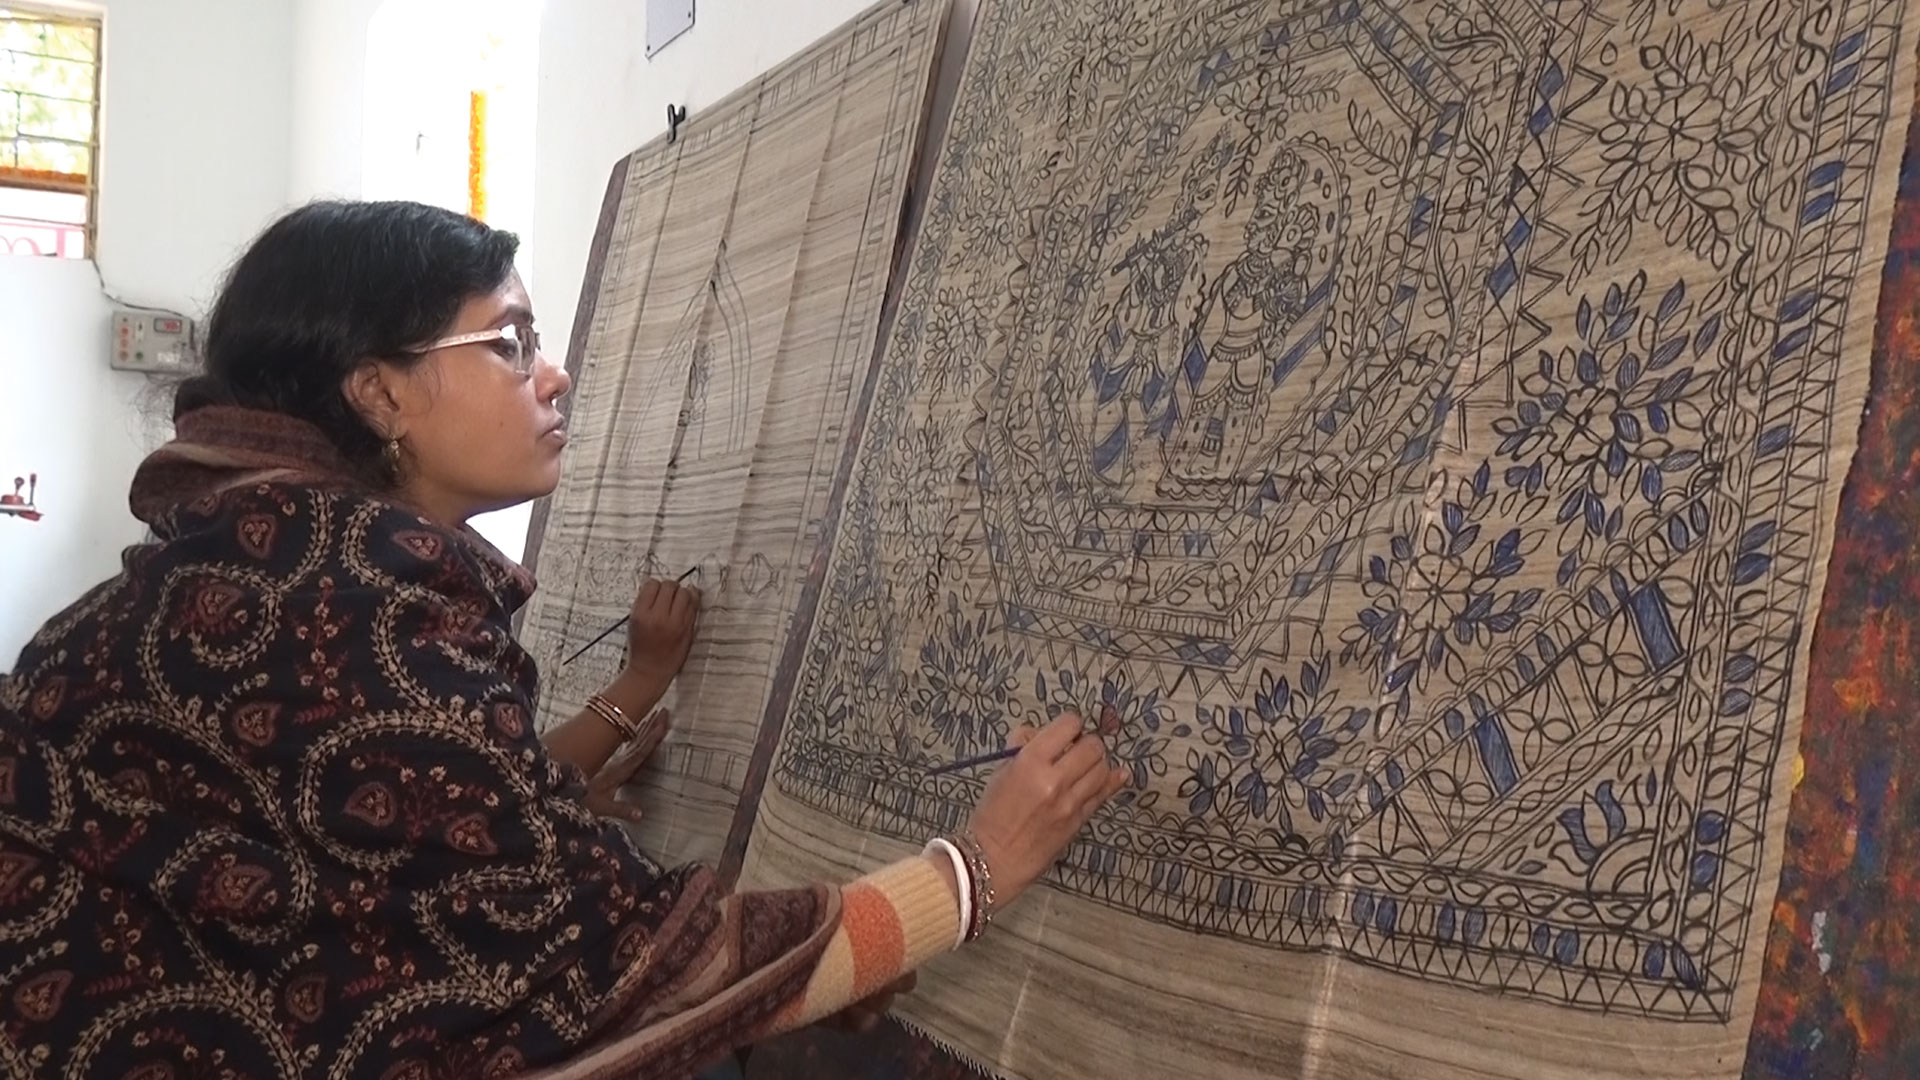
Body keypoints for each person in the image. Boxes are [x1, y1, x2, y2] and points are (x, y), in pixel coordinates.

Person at [0, 201, 1125, 1078]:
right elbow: (649, 974)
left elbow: (377, 845)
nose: (555, 372)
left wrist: (620, 707)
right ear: (380, 394)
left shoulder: (221, 575)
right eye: (511, 340)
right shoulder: (358, 617)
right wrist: (978, 867)